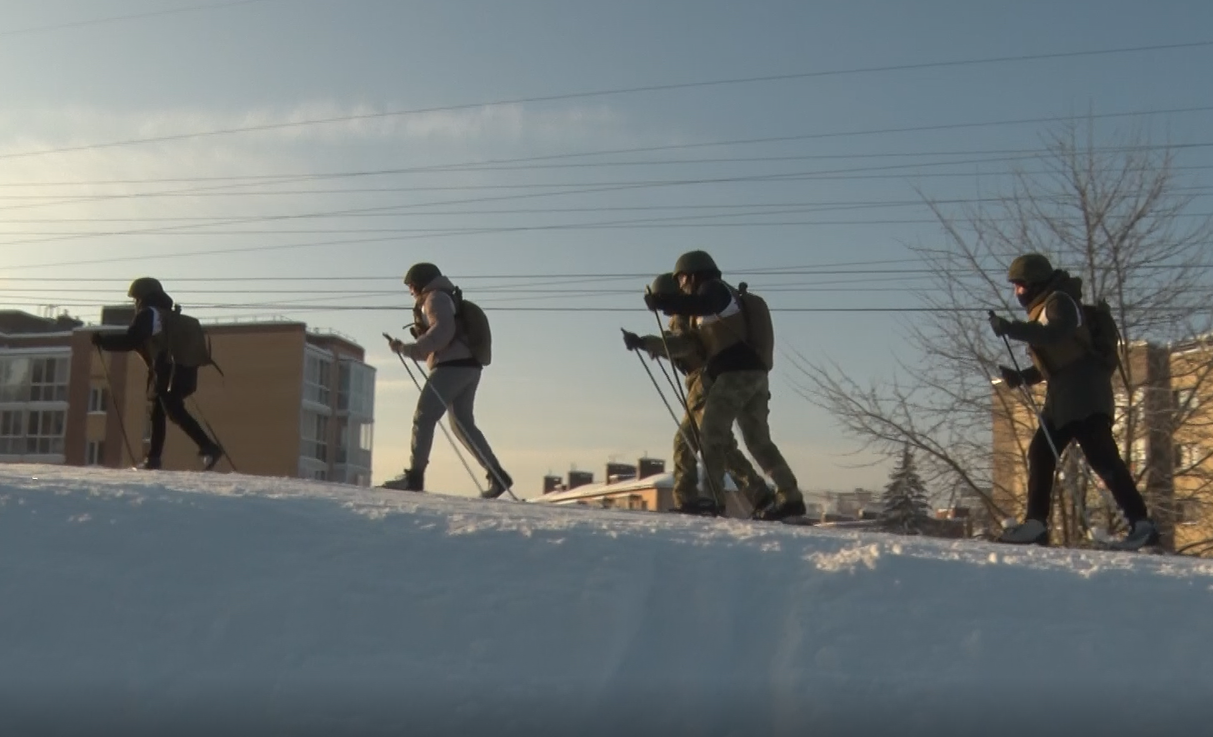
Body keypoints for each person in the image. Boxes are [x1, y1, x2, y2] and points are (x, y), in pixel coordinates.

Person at [989, 253, 1158, 548]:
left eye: (1020, 285)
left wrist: (1012, 329)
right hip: (1065, 395)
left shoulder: (1059, 301)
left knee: (1101, 456)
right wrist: (1023, 376)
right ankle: (1036, 524)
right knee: (1042, 451)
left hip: (1085, 393)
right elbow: (1058, 359)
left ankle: (1142, 525)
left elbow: (1057, 333)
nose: (1017, 292)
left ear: (1034, 282)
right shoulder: (1042, 308)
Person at [642, 250, 806, 521]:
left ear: (694, 275)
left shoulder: (715, 289)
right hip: (755, 375)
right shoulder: (721, 298)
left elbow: (707, 303)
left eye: (682, 279)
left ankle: (712, 499)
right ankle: (790, 497)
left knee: (711, 434)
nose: (682, 286)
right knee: (758, 441)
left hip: (734, 374)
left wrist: (666, 303)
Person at [623, 272, 774, 516]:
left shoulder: (685, 317)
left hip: (706, 382)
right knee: (720, 445)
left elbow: (684, 345)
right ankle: (760, 495)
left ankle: (688, 499)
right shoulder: (689, 314)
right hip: (708, 380)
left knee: (686, 441)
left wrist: (645, 342)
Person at [384, 262, 512, 498]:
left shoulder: (435, 299)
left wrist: (411, 349)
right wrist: (409, 349)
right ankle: (497, 475)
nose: (410, 291)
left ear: (421, 282)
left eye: (411, 285)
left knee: (423, 416)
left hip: (453, 367)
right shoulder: (446, 297)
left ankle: (414, 477)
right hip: (469, 366)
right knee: (462, 424)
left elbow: (443, 332)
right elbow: (443, 341)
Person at [92, 277, 223, 471]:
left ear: (143, 297)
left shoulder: (149, 314)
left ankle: (208, 447)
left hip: (166, 371)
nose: (135, 303)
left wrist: (103, 341)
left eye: (136, 299)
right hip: (185, 370)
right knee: (160, 412)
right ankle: (154, 458)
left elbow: (132, 340)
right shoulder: (169, 315)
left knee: (172, 410)